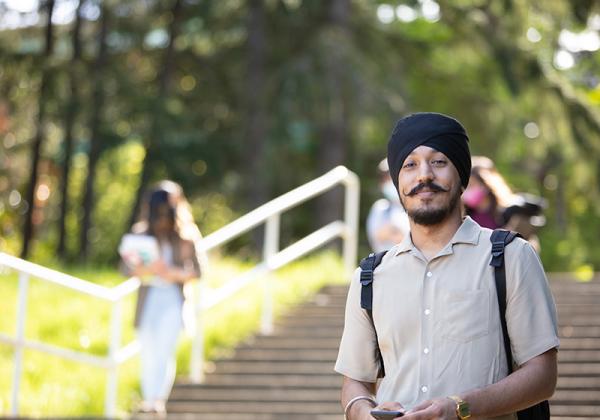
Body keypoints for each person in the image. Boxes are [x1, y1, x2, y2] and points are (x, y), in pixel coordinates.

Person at [335, 112, 559, 420]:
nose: (423, 175)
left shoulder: (511, 257)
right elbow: (355, 382)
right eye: (409, 165)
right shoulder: (369, 277)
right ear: (398, 180)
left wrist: (460, 408)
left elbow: (542, 376)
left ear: (461, 175)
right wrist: (364, 413)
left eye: (439, 162)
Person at [119, 180, 203, 415]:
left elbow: (198, 271)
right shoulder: (141, 233)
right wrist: (146, 270)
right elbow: (125, 268)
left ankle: (157, 400)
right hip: (148, 299)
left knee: (165, 349)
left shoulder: (186, 235)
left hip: (173, 299)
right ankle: (149, 399)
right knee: (148, 350)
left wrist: (172, 273)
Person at [463, 156, 545, 251]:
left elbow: (531, 247)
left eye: (472, 185)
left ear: (485, 184)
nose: (466, 191)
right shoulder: (465, 217)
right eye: (465, 186)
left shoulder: (511, 213)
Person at [366, 159, 410, 252]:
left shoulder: (416, 207)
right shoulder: (380, 207)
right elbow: (377, 236)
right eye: (384, 178)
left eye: (392, 177)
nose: (388, 181)